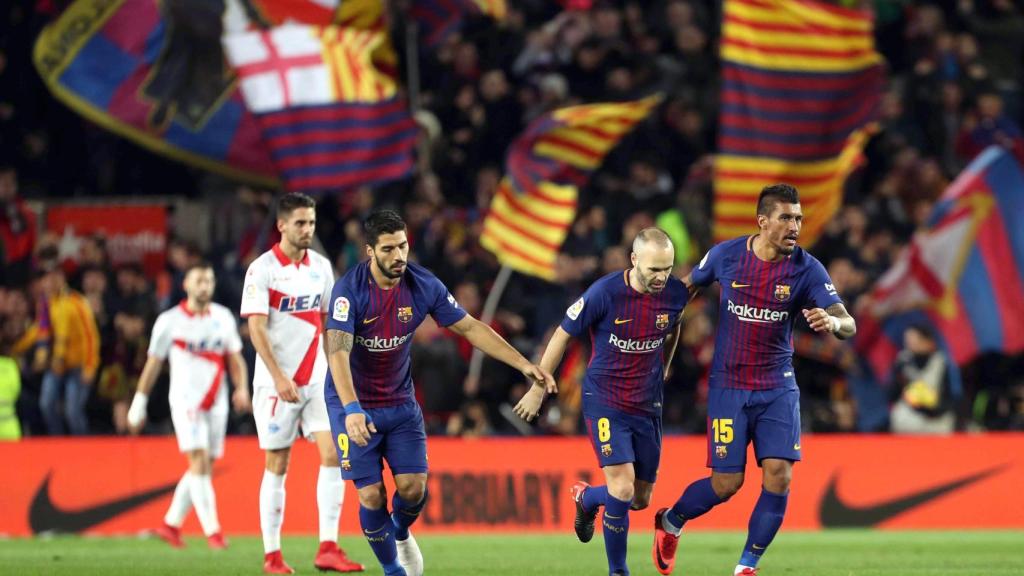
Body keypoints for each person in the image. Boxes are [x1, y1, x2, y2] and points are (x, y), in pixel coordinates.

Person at [322, 210, 555, 576]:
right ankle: (392, 570)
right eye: (388, 249)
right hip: (353, 403)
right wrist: (351, 407)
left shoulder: (422, 284)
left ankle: (399, 533)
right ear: (370, 251)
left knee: (413, 491)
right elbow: (336, 352)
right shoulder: (348, 292)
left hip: (399, 401)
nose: (399, 256)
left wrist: (523, 364)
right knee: (370, 495)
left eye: (403, 245)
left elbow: (470, 327)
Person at [651, 184, 856, 576]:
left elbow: (848, 322)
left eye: (798, 218)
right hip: (728, 386)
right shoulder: (726, 256)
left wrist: (832, 321)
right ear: (763, 222)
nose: (795, 225)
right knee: (727, 484)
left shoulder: (807, 268)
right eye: (785, 218)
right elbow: (687, 287)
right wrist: (660, 322)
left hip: (777, 387)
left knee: (779, 473)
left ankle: (747, 566)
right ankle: (671, 521)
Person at [514, 227, 688, 576]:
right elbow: (562, 334)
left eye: (667, 269)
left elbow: (674, 327)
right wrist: (537, 387)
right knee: (621, 487)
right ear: (634, 259)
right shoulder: (604, 293)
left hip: (647, 402)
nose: (661, 277)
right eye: (654, 269)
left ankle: (587, 498)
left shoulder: (675, 293)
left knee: (639, 499)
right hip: (605, 400)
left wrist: (666, 365)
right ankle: (617, 571)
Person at [240, 193, 363, 575]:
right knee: (278, 462)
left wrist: (340, 375)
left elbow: (330, 326)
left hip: (317, 381)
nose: (307, 229)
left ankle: (328, 546)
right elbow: (255, 327)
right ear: (281, 225)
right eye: (300, 223)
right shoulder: (261, 271)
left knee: (333, 455)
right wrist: (278, 377)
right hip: (276, 385)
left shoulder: (322, 269)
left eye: (310, 222)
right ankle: (272, 556)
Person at [127, 262, 250, 549]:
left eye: (208, 280)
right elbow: (153, 364)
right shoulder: (169, 321)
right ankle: (214, 532)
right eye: (199, 281)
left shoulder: (223, 318)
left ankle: (171, 524)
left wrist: (242, 388)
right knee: (198, 460)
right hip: (185, 402)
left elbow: (235, 358)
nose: (204, 286)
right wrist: (138, 403)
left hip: (216, 402)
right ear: (186, 285)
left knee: (204, 465)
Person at [39, 265, 100, 435]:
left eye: (53, 278)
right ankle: (57, 443)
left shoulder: (77, 302)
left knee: (73, 411)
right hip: (57, 364)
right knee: (46, 404)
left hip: (78, 366)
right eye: (46, 279)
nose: (49, 283)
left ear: (61, 279)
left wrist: (90, 366)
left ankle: (80, 449)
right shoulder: (47, 304)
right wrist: (17, 347)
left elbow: (91, 336)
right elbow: (40, 331)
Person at [889, 324, 957, 434]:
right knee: (899, 415)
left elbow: (950, 396)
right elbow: (891, 394)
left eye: (915, 340)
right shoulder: (903, 361)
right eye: (908, 341)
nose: (910, 344)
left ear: (928, 341)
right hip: (909, 417)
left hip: (936, 418)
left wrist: (933, 409)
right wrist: (900, 378)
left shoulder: (940, 361)